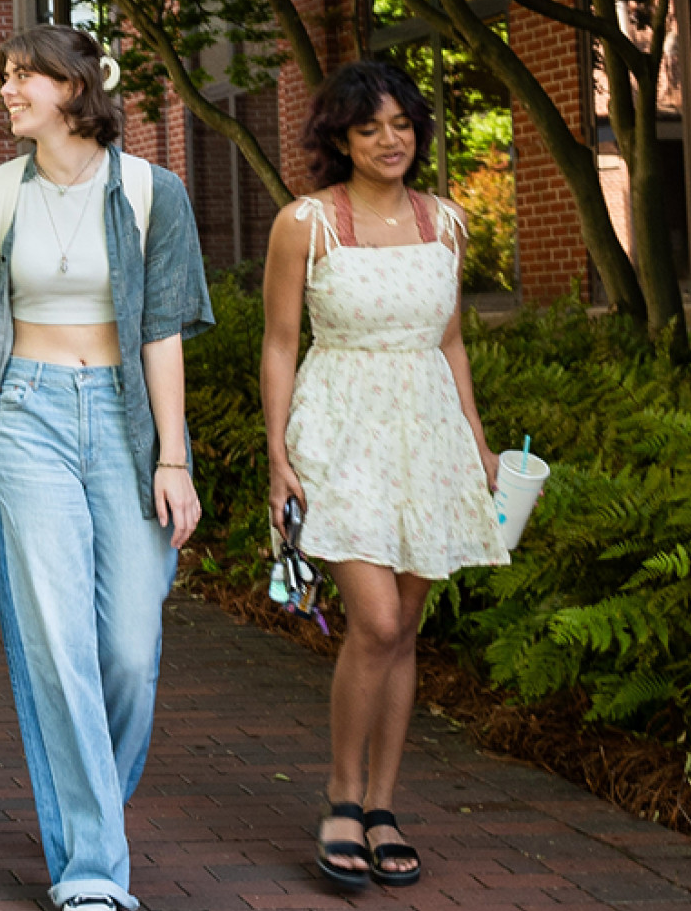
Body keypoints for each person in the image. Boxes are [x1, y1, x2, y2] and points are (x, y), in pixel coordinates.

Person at [0, 24, 212, 911]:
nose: (8, 91)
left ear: (76, 87)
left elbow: (162, 330)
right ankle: (93, 870)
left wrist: (174, 456)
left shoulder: (150, 192)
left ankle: (91, 805)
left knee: (129, 649)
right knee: (57, 645)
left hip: (128, 422)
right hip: (26, 421)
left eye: (25, 78)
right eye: (7, 77)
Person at [258, 60, 508, 892]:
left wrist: (477, 440)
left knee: (405, 625)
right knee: (371, 619)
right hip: (340, 430)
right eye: (370, 127)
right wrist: (278, 456)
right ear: (339, 137)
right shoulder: (305, 224)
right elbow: (281, 344)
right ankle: (340, 793)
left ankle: (383, 805)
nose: (390, 139)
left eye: (402, 124)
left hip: (429, 436)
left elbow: (451, 341)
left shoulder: (448, 222)